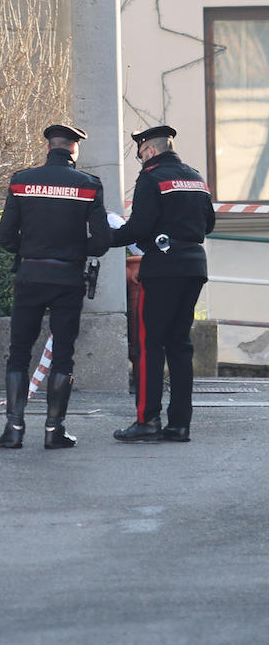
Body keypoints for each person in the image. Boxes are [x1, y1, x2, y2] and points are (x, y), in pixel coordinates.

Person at [0, 124, 110, 449]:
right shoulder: (89, 186)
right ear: (74, 150)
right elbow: (101, 241)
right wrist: (74, 248)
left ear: (49, 148)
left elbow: (5, 237)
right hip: (68, 279)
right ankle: (53, 430)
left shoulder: (21, 182)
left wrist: (32, 249)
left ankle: (14, 429)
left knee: (18, 352)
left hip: (30, 275)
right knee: (63, 355)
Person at [111, 125, 214, 443]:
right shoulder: (195, 176)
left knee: (149, 345)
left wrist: (103, 238)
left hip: (162, 268)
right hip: (194, 266)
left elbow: (138, 227)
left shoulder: (151, 177)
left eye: (141, 153)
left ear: (151, 151)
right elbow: (208, 223)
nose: (141, 159)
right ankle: (180, 424)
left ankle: (147, 421)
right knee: (180, 346)